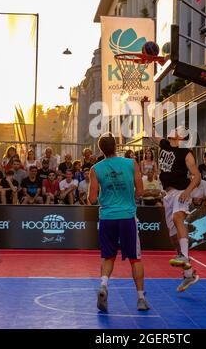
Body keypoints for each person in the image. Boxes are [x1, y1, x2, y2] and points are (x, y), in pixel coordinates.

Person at [88, 133, 149, 312]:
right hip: (127, 216)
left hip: (107, 217)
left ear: (101, 149)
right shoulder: (131, 164)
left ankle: (104, 285)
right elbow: (140, 192)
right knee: (135, 258)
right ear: (116, 146)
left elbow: (92, 199)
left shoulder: (96, 169)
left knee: (108, 256)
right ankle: (140, 299)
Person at [152, 125, 201, 292]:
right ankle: (189, 275)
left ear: (180, 137)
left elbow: (197, 176)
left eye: (176, 129)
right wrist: (144, 108)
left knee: (178, 218)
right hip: (168, 195)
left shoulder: (186, 153)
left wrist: (188, 192)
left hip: (181, 191)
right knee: (173, 238)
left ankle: (185, 257)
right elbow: (151, 134)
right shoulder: (165, 145)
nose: (173, 130)